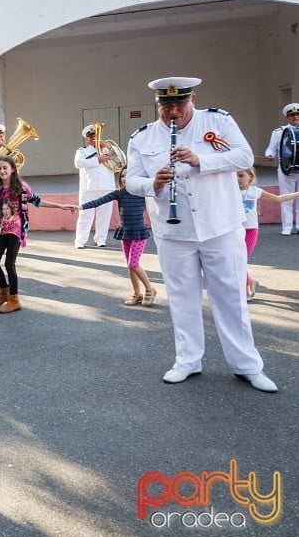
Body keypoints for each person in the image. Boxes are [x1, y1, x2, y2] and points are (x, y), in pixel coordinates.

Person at [125, 76, 277, 392]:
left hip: (220, 226)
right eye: (165, 106)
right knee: (182, 299)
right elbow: (131, 180)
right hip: (173, 231)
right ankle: (187, 361)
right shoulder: (143, 137)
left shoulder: (217, 121)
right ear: (158, 106)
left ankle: (247, 365)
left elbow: (244, 157)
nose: (172, 112)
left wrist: (200, 161)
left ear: (193, 98)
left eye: (179, 104)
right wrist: (152, 184)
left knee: (231, 297)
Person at [0, 156, 77, 314]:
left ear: (13, 169)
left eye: (5, 168)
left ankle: (14, 299)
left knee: (9, 264)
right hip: (1, 229)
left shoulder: (21, 187)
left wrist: (61, 206)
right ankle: (4, 292)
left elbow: (37, 201)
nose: (2, 171)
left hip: (16, 230)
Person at [79, 168, 156, 306]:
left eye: (128, 176)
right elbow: (99, 201)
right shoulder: (119, 194)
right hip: (125, 233)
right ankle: (137, 294)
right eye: (122, 177)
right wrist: (80, 207)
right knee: (130, 266)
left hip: (139, 233)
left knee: (133, 263)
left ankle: (150, 289)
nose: (125, 179)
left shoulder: (141, 194)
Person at [237, 167, 299, 298]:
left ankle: (246, 289)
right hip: (235, 231)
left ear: (250, 177)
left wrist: (298, 194)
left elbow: (278, 199)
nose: (236, 179)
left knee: (241, 260)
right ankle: (249, 283)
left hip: (250, 231)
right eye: (234, 176)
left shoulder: (255, 191)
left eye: (240, 176)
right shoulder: (229, 192)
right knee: (237, 260)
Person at [74, 124, 116, 248]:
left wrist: (110, 149)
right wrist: (98, 160)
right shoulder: (82, 151)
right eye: (91, 137)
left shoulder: (108, 148)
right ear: (87, 139)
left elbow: (121, 160)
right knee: (85, 215)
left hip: (107, 187)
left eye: (96, 136)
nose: (94, 139)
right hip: (89, 187)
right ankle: (80, 241)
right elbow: (78, 163)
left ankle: (101, 239)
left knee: (104, 215)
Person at [263, 102, 299, 235]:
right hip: (286, 170)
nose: (295, 117)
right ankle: (286, 226)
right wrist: (269, 155)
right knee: (286, 198)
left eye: (298, 114)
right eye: (292, 115)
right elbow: (271, 147)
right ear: (287, 118)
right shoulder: (280, 132)